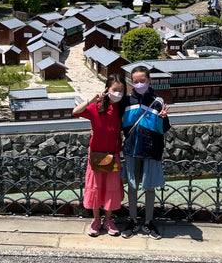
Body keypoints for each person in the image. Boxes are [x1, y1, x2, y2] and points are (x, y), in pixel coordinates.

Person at [72, 74, 127, 237]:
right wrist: (93, 98)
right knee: (95, 187)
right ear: (107, 89)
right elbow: (76, 111)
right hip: (96, 154)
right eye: (115, 90)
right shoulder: (96, 106)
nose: (118, 93)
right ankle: (96, 219)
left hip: (113, 154)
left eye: (121, 90)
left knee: (111, 188)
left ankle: (108, 219)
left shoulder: (122, 108)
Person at [121, 65, 170, 240]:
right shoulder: (126, 102)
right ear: (131, 82)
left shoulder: (158, 102)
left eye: (143, 80)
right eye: (136, 81)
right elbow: (118, 124)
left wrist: (163, 119)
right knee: (132, 187)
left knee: (149, 188)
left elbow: (163, 129)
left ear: (149, 80)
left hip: (151, 150)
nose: (139, 84)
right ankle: (133, 221)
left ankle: (149, 222)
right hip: (131, 150)